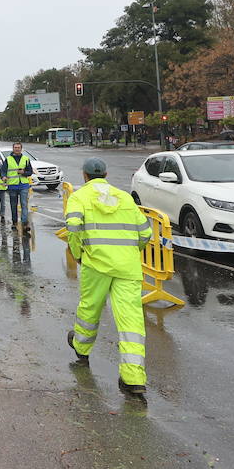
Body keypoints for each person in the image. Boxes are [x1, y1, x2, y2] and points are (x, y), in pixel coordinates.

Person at [64, 157, 153, 397]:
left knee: (90, 309)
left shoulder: (79, 197)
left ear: (84, 176)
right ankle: (133, 378)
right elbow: (145, 232)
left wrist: (78, 253)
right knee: (131, 321)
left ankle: (81, 348)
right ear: (106, 174)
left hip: (96, 265)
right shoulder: (124, 197)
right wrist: (130, 253)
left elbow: (73, 227)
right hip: (128, 267)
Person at [4, 142, 33, 232]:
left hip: (23, 185)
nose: (17, 149)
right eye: (15, 147)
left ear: (21, 149)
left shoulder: (26, 159)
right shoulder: (8, 159)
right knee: (13, 205)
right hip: (12, 185)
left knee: (24, 204)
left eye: (18, 147)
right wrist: (3, 177)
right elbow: (3, 171)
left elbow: (30, 172)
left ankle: (24, 223)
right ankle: (14, 222)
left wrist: (23, 172)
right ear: (13, 149)